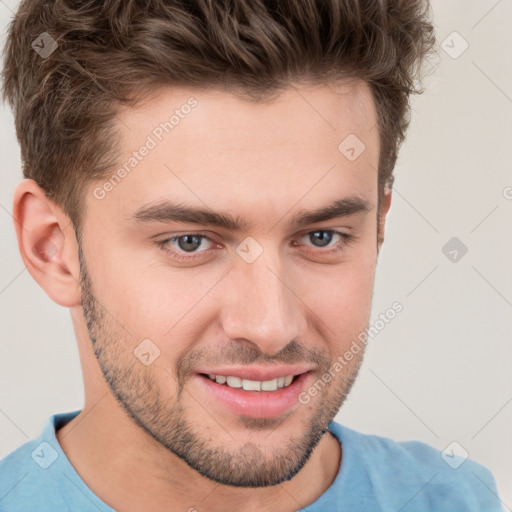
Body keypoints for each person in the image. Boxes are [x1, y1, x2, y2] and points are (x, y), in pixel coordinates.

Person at [0, 0, 504, 510]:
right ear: (52, 248)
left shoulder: (456, 499)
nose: (270, 326)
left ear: (378, 226)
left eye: (322, 236)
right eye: (190, 242)